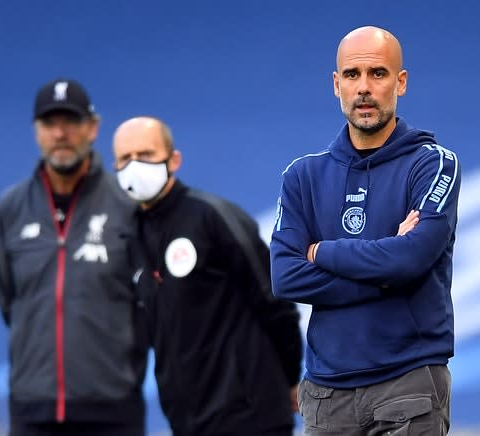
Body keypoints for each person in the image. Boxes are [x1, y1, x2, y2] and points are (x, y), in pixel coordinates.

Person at [270, 26, 460, 435]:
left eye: (378, 73)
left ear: (401, 82)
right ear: (336, 84)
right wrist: (389, 269)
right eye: (352, 75)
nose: (364, 87)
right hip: (326, 393)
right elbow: (285, 277)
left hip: (407, 381)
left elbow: (411, 259)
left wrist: (322, 252)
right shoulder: (303, 175)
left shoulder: (432, 164)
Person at [112, 116, 304, 436]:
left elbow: (274, 300)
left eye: (145, 154)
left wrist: (289, 377)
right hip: (187, 421)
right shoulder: (131, 237)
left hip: (250, 415)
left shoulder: (212, 217)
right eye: (124, 158)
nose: (135, 166)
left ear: (174, 160)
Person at [0, 78, 148, 436]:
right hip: (32, 407)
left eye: (71, 122)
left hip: (113, 406)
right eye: (50, 123)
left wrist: (122, 373)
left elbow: (147, 304)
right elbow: (8, 301)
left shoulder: (126, 204)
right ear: (36, 131)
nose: (60, 133)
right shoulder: (11, 208)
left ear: (92, 128)